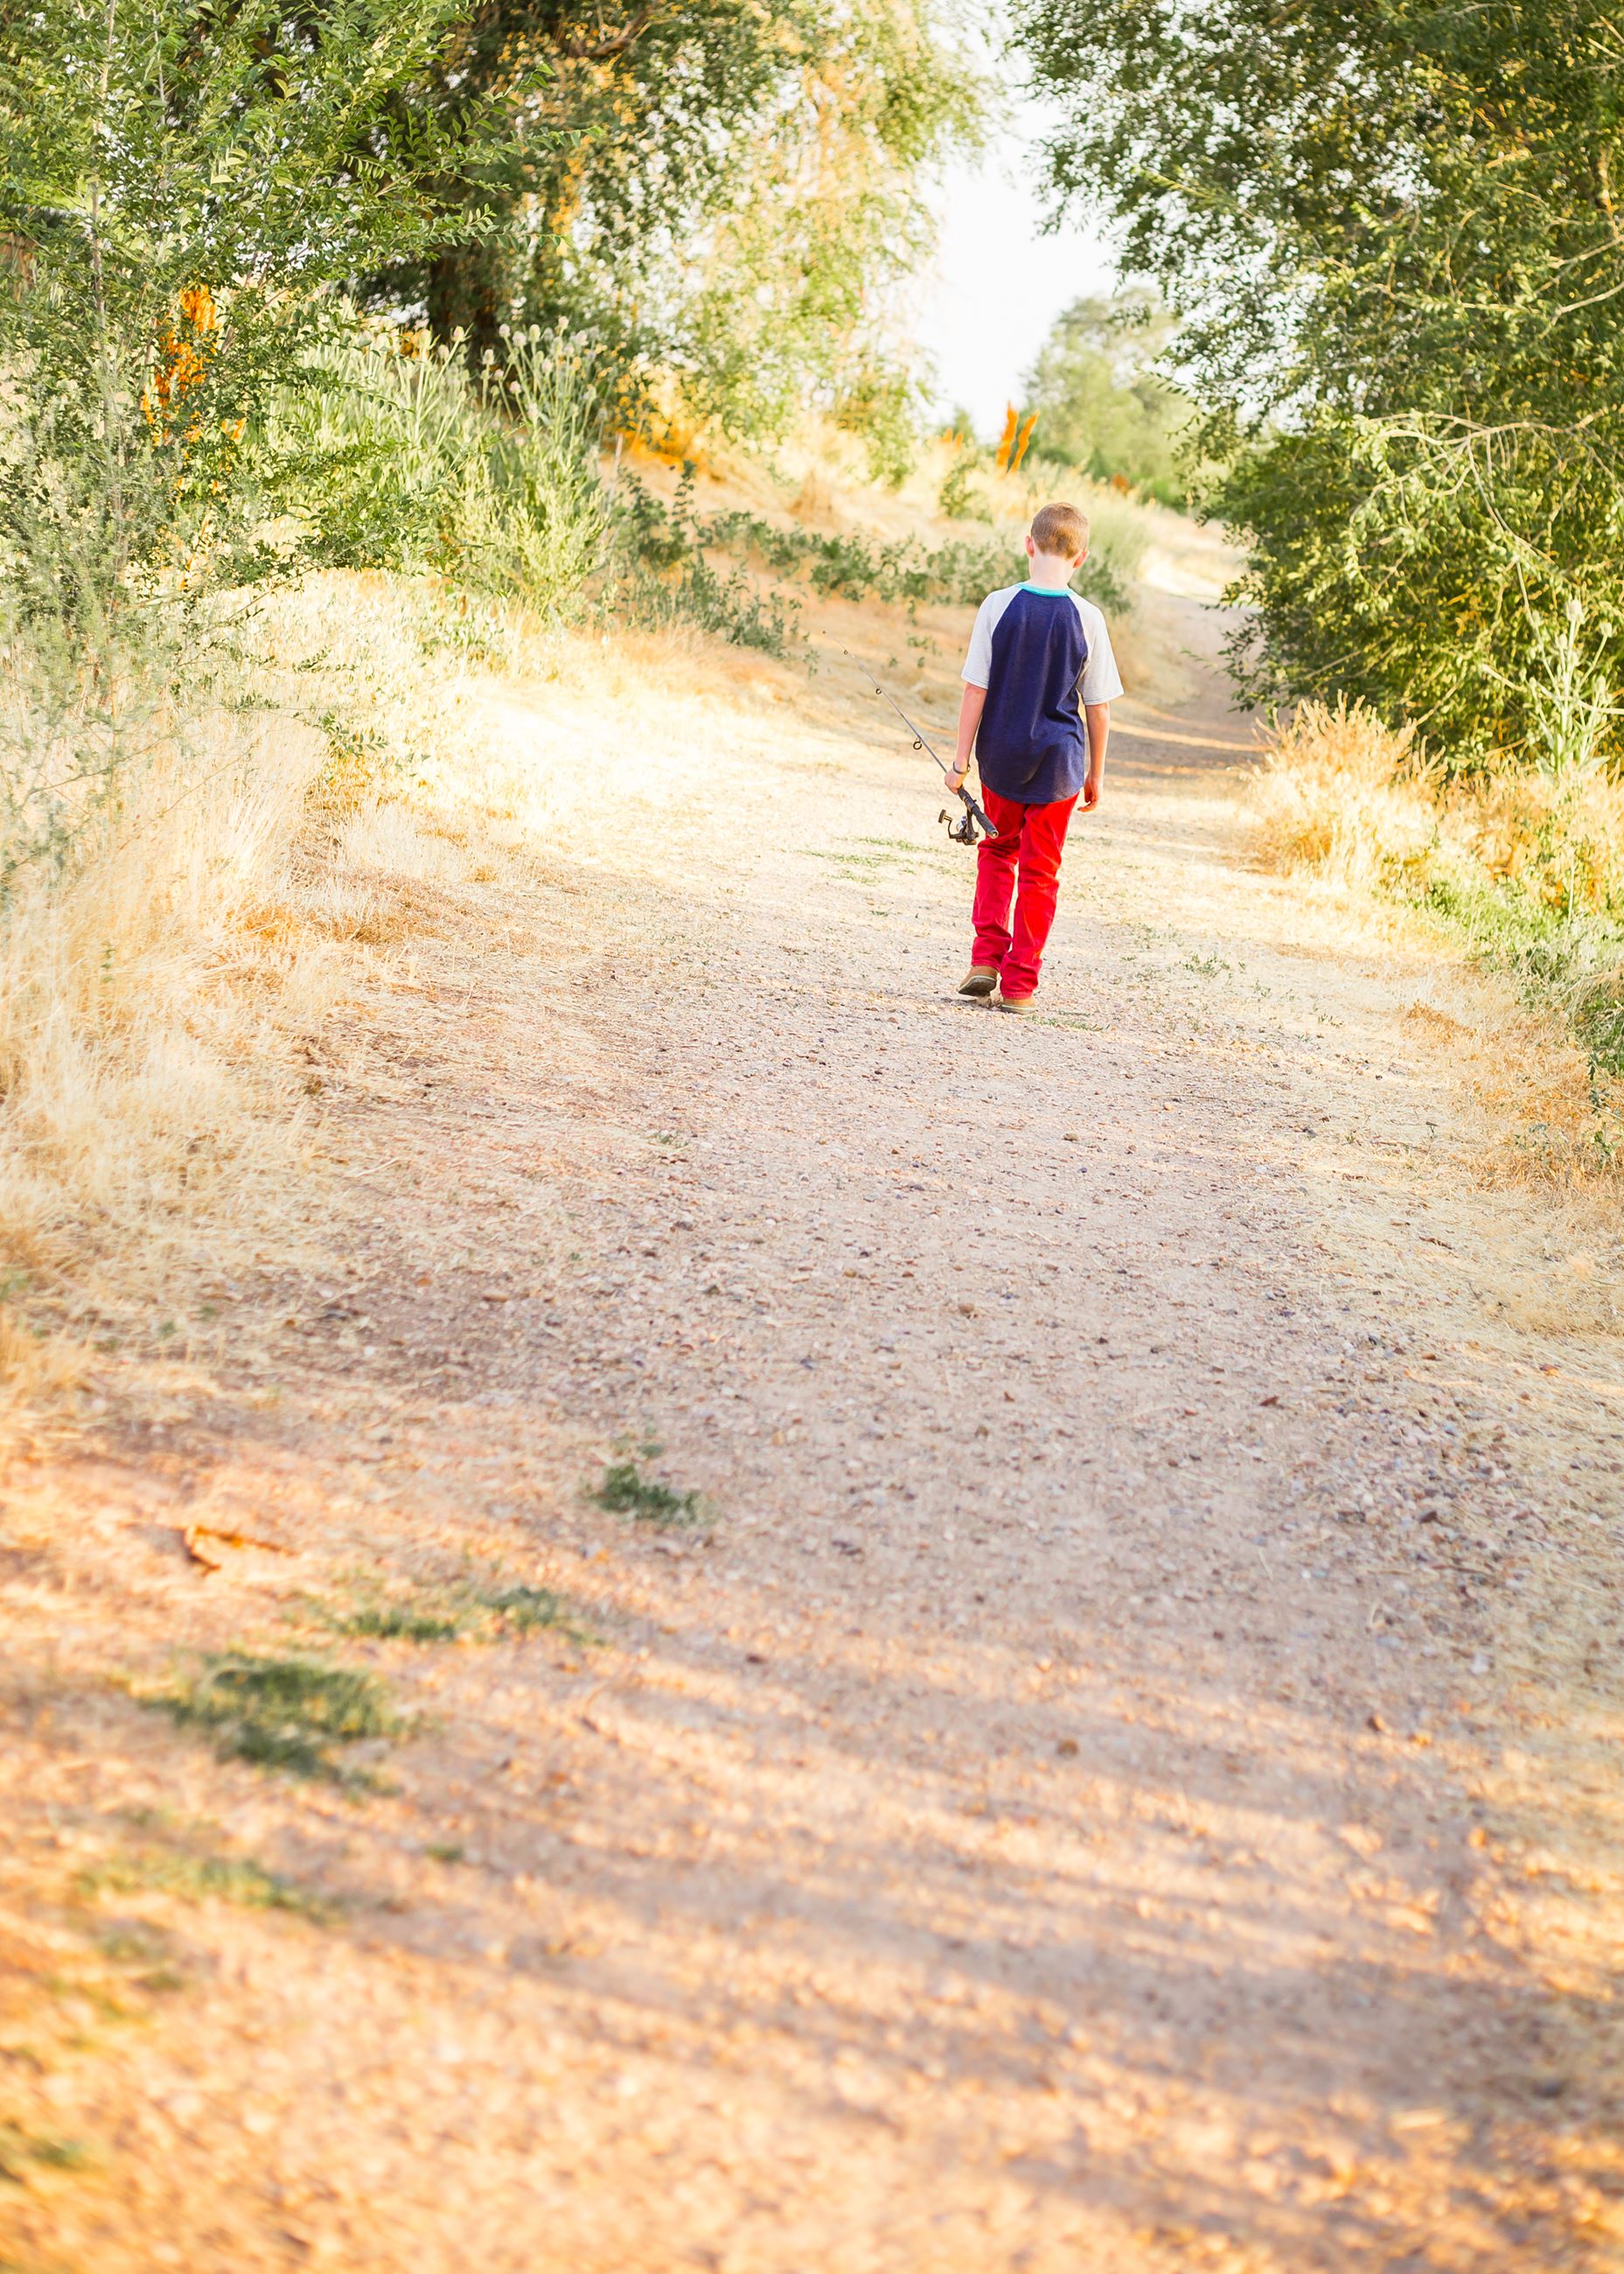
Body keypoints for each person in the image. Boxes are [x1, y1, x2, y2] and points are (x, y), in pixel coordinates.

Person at [946, 501, 1122, 1015]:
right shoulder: (1088, 618)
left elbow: (975, 688)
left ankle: (985, 960)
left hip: (1000, 755)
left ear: (1029, 543)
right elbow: (1099, 707)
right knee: (1041, 872)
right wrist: (1096, 774)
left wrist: (960, 763)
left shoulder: (998, 606)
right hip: (1060, 765)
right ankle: (1020, 986)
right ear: (1081, 557)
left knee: (998, 852)